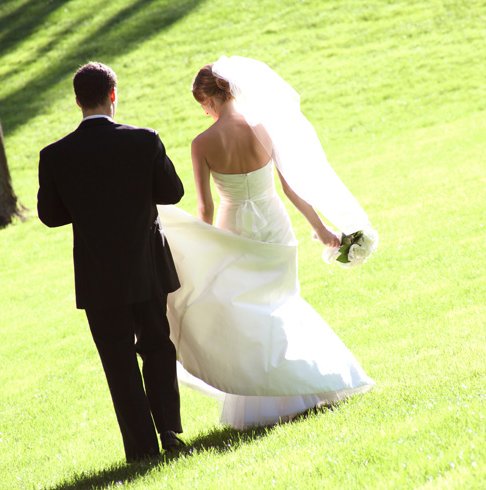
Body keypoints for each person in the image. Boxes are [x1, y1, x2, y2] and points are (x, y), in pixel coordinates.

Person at [156, 56, 375, 429]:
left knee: (246, 313)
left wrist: (202, 249)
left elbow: (205, 206)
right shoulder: (263, 127)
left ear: (210, 100)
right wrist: (321, 229)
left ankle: (267, 398)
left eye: (203, 106)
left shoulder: (202, 143)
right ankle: (311, 384)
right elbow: (291, 187)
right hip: (274, 225)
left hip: (233, 229)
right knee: (283, 302)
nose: (205, 113)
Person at [37, 62, 185, 461]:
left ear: (77, 101)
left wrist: (87, 207)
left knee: (118, 363)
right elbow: (172, 192)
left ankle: (141, 450)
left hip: (98, 275)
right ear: (113, 95)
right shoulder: (144, 140)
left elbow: (50, 215)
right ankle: (170, 431)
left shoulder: (54, 155)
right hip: (147, 267)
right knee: (157, 347)